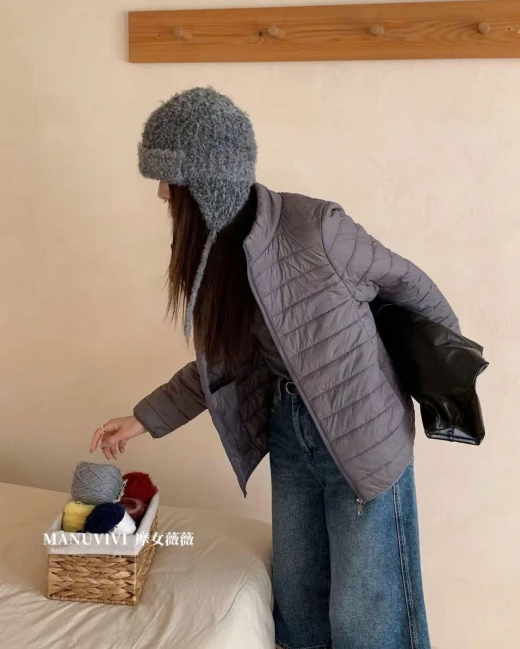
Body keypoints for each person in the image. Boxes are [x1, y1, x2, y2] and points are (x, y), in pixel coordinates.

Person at [90, 86, 459, 649]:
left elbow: (414, 288)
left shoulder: (316, 227)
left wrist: (445, 379)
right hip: (291, 434)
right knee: (299, 606)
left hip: (361, 437)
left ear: (210, 180)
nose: (162, 193)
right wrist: (143, 418)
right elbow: (219, 366)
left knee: (366, 620)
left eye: (171, 181)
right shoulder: (220, 259)